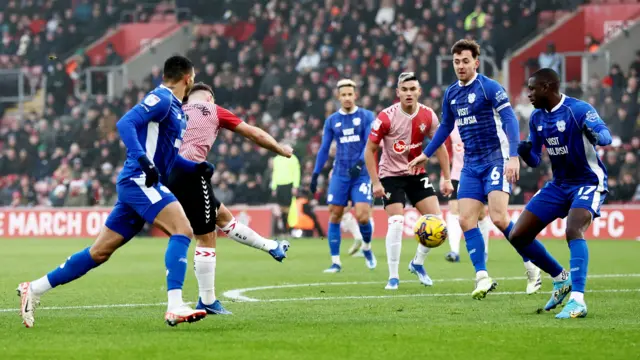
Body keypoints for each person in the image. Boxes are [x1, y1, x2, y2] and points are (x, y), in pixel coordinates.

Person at [18, 55, 213, 327]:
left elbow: (167, 156)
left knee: (99, 252)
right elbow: (125, 123)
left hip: (140, 183)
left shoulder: (177, 111)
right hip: (140, 180)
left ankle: (34, 288)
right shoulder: (164, 98)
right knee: (183, 229)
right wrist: (143, 159)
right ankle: (175, 304)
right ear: (188, 78)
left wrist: (195, 168)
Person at [408, 39, 541, 299]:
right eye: (456, 61)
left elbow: (510, 119)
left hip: (496, 159)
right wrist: (425, 153)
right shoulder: (451, 94)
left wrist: (513, 156)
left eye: (465, 61)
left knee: (499, 218)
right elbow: (445, 127)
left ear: (476, 62)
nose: (460, 66)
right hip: (471, 164)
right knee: (465, 219)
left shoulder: (489, 87)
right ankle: (482, 277)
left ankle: (532, 266)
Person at [167, 82, 291, 315]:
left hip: (167, 175)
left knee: (223, 217)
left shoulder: (174, 111)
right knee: (206, 238)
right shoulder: (213, 110)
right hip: (191, 174)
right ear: (209, 98)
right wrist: (279, 149)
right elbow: (253, 132)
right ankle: (207, 300)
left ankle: (272, 246)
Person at [510, 68, 612, 319]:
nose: (529, 93)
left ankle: (578, 300)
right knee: (518, 235)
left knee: (573, 228)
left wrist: (597, 134)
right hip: (559, 184)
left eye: (533, 88)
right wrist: (524, 152)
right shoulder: (537, 118)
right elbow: (535, 160)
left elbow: (606, 136)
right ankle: (560, 277)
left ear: (547, 87)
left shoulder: (578, 110)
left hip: (587, 182)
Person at [365, 72, 453, 290]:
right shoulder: (385, 117)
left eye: (413, 89)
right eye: (404, 89)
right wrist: (376, 182)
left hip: (416, 174)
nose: (409, 93)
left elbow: (440, 146)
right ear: (398, 93)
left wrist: (447, 177)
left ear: (419, 91)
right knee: (396, 222)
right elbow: (370, 151)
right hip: (390, 176)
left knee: (438, 224)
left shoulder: (428, 115)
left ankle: (417, 263)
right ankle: (393, 277)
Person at [310, 79, 376, 272]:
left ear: (355, 95)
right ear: (338, 97)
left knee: (363, 216)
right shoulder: (332, 120)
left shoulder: (366, 116)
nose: (347, 98)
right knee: (335, 215)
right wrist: (315, 173)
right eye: (343, 95)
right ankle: (336, 261)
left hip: (361, 174)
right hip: (340, 173)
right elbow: (324, 148)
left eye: (350, 94)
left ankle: (367, 247)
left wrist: (360, 163)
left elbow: (369, 144)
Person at [443, 123, 494, 264]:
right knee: (454, 209)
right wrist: (444, 175)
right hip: (456, 174)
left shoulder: (478, 122)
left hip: (477, 173)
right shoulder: (451, 127)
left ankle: (484, 250)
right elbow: (446, 151)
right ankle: (454, 251)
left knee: (481, 213)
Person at [271, 143, 301, 237]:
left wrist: (295, 186)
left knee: (290, 209)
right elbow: (275, 173)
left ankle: (290, 229)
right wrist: (274, 187)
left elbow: (297, 172)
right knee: (281, 209)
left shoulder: (293, 158)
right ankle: (284, 230)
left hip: (289, 184)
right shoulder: (276, 159)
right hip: (279, 185)